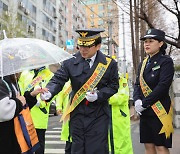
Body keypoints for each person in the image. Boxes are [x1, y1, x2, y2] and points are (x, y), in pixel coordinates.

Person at [40, 28, 119, 154]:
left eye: (88, 46)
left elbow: (114, 86)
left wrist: (99, 95)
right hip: (77, 114)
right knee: (77, 150)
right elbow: (58, 79)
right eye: (80, 46)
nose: (83, 50)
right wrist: (49, 91)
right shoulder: (70, 61)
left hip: (98, 115)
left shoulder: (109, 64)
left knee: (96, 150)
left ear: (98, 46)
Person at [133, 28, 174, 154]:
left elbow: (163, 86)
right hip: (145, 112)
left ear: (160, 43)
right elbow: (137, 85)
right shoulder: (143, 63)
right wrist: (137, 101)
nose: (147, 44)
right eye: (145, 41)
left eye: (151, 41)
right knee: (148, 145)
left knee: (160, 146)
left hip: (160, 110)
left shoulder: (166, 61)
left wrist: (144, 103)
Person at [0, 73, 45, 154]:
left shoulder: (11, 81)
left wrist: (31, 96)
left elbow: (19, 107)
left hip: (15, 136)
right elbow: (3, 111)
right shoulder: (2, 81)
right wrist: (19, 102)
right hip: (5, 139)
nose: (20, 71)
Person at [18, 66, 54, 154]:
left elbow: (52, 93)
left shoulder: (49, 74)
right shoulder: (24, 74)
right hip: (26, 112)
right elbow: (20, 89)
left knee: (39, 145)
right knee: (25, 144)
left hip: (40, 114)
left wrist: (41, 102)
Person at [109, 75, 133, 154]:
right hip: (106, 117)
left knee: (123, 145)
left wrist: (103, 96)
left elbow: (123, 97)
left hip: (119, 119)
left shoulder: (121, 79)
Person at [56, 81, 72, 154]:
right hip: (68, 116)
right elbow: (60, 95)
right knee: (69, 144)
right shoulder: (66, 84)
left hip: (80, 115)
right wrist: (59, 107)